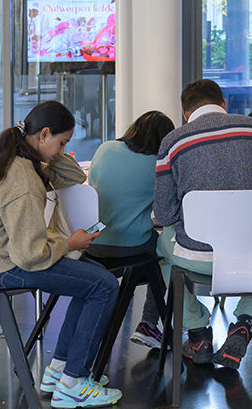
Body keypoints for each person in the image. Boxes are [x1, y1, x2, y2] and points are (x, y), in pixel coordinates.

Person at [0, 101, 122, 407]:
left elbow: (74, 177)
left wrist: (53, 152)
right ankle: (73, 383)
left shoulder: (21, 160)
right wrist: (70, 244)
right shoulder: (22, 177)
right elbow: (28, 254)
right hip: (5, 266)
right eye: (61, 142)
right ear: (44, 133)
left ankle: (61, 369)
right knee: (104, 285)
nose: (61, 149)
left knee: (90, 283)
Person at [154, 79, 252, 369]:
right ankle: (244, 324)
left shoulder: (172, 142)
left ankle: (197, 334)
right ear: (223, 104)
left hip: (197, 257)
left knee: (159, 250)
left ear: (185, 112)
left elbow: (165, 213)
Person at [86, 110, 176, 349]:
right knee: (167, 253)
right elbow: (166, 212)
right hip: (131, 247)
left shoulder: (105, 149)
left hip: (90, 244)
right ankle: (148, 323)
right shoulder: (158, 165)